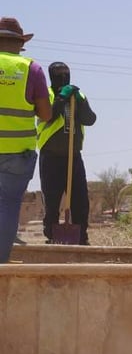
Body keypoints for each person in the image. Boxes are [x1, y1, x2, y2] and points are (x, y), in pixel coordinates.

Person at [0, 18, 51, 262]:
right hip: (18, 153)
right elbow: (45, 114)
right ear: (20, 44)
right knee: (8, 205)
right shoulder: (32, 69)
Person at [37, 62, 97, 245]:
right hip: (51, 156)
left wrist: (79, 100)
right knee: (52, 199)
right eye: (58, 74)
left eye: (66, 73)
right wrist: (61, 98)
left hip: (73, 157)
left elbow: (90, 119)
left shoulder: (78, 95)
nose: (63, 77)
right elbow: (48, 116)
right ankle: (52, 235)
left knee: (80, 200)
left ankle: (81, 236)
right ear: (51, 76)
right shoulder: (45, 94)